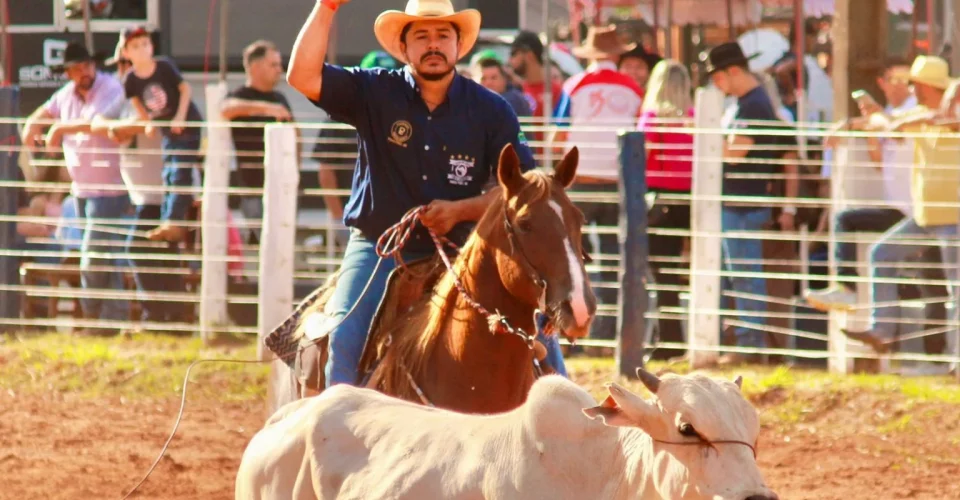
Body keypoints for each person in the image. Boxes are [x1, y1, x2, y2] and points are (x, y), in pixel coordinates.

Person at [286, 0, 552, 387]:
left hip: (465, 250)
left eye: (443, 35)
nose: (433, 44)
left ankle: (567, 422)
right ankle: (336, 435)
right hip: (379, 246)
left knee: (536, 333)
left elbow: (523, 188)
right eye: (422, 36)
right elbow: (302, 76)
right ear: (404, 49)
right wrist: (327, 6)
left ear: (458, 46)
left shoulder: (492, 110)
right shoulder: (374, 90)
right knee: (344, 336)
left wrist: (461, 210)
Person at [20, 42, 131, 335]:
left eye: (87, 64)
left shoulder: (111, 88)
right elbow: (40, 115)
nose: (83, 71)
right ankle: (111, 320)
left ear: (94, 65)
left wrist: (59, 129)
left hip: (111, 188)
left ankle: (94, 318)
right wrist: (32, 127)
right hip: (82, 189)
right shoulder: (65, 95)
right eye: (77, 67)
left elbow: (97, 122)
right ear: (68, 72)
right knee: (103, 254)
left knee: (94, 254)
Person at [706, 42, 798, 364]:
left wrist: (707, 135)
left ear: (733, 71)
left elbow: (735, 152)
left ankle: (749, 344)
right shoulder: (753, 102)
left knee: (745, 273)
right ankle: (749, 341)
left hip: (743, 202)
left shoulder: (753, 105)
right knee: (742, 273)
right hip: (746, 200)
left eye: (717, 77)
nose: (716, 85)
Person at [553, 25, 644, 341]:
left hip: (579, 181)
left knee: (572, 257)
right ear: (617, 54)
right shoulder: (632, 88)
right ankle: (611, 330)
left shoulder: (574, 85)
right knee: (613, 257)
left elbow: (558, 135)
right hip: (617, 181)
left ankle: (577, 326)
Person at [93, 41, 191, 331]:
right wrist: (116, 128)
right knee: (159, 255)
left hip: (162, 193)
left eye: (127, 64)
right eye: (122, 66)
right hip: (144, 194)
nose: (124, 72)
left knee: (140, 249)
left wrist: (126, 127)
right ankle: (169, 318)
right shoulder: (125, 99)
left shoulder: (157, 91)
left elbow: (158, 120)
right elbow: (97, 121)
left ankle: (160, 317)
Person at [121, 25, 205, 243]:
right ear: (126, 52)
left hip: (187, 125)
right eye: (135, 46)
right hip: (168, 131)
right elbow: (136, 101)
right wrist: (148, 122)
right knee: (168, 171)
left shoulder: (164, 67)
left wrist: (180, 116)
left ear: (152, 46)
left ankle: (174, 220)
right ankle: (168, 220)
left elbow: (185, 89)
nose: (141, 50)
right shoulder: (130, 79)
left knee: (180, 170)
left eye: (145, 44)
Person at [313, 50, 400, 250]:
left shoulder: (401, 115)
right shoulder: (339, 115)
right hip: (353, 215)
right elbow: (326, 170)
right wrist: (337, 217)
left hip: (393, 218)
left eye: (388, 76)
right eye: (377, 76)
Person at [637, 60, 694, 357]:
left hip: (660, 200)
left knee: (662, 275)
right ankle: (670, 337)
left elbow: (639, 160)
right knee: (679, 273)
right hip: (691, 200)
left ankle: (670, 341)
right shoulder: (695, 118)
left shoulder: (651, 120)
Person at [221, 39, 295, 245]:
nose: (279, 70)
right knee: (264, 241)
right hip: (253, 187)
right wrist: (267, 109)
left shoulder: (280, 97)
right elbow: (226, 109)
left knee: (281, 242)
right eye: (273, 65)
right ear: (255, 67)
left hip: (283, 185)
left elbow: (295, 134)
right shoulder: (239, 95)